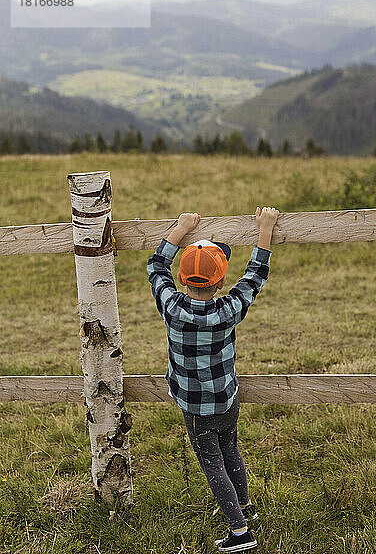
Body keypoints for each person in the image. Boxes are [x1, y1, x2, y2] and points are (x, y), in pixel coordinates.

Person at [147, 206, 279, 552]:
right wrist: (265, 228)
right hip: (226, 398)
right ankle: (246, 507)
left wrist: (180, 228)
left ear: (182, 279)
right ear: (221, 281)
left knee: (211, 462)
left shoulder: (171, 307)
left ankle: (240, 531)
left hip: (194, 405)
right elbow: (255, 275)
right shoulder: (228, 309)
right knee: (230, 447)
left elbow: (155, 266)